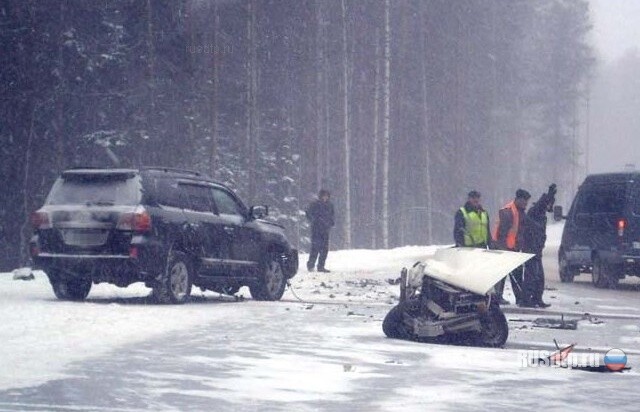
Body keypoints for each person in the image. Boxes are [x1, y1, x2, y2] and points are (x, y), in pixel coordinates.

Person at [520, 184, 557, 308]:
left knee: (539, 277)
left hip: (537, 249)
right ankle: (526, 300)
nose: (550, 207)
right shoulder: (535, 211)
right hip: (530, 249)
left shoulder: (541, 215)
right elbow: (541, 203)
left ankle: (537, 298)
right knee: (531, 276)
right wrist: (549, 194)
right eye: (549, 204)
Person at [493, 188, 531, 306]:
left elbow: (520, 232)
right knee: (501, 275)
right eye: (524, 201)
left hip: (514, 248)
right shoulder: (508, 211)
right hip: (503, 248)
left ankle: (519, 298)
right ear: (518, 199)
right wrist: (503, 250)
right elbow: (502, 233)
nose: (526, 204)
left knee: (517, 274)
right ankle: (498, 297)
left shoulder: (521, 211)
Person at [305, 189, 335, 273]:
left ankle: (321, 266)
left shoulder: (330, 205)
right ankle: (311, 265)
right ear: (320, 196)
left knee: (324, 249)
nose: (325, 197)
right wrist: (313, 220)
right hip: (316, 229)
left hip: (325, 229)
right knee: (315, 248)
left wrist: (331, 222)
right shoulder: (315, 204)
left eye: (326, 196)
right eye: (323, 196)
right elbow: (308, 213)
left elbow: (332, 215)